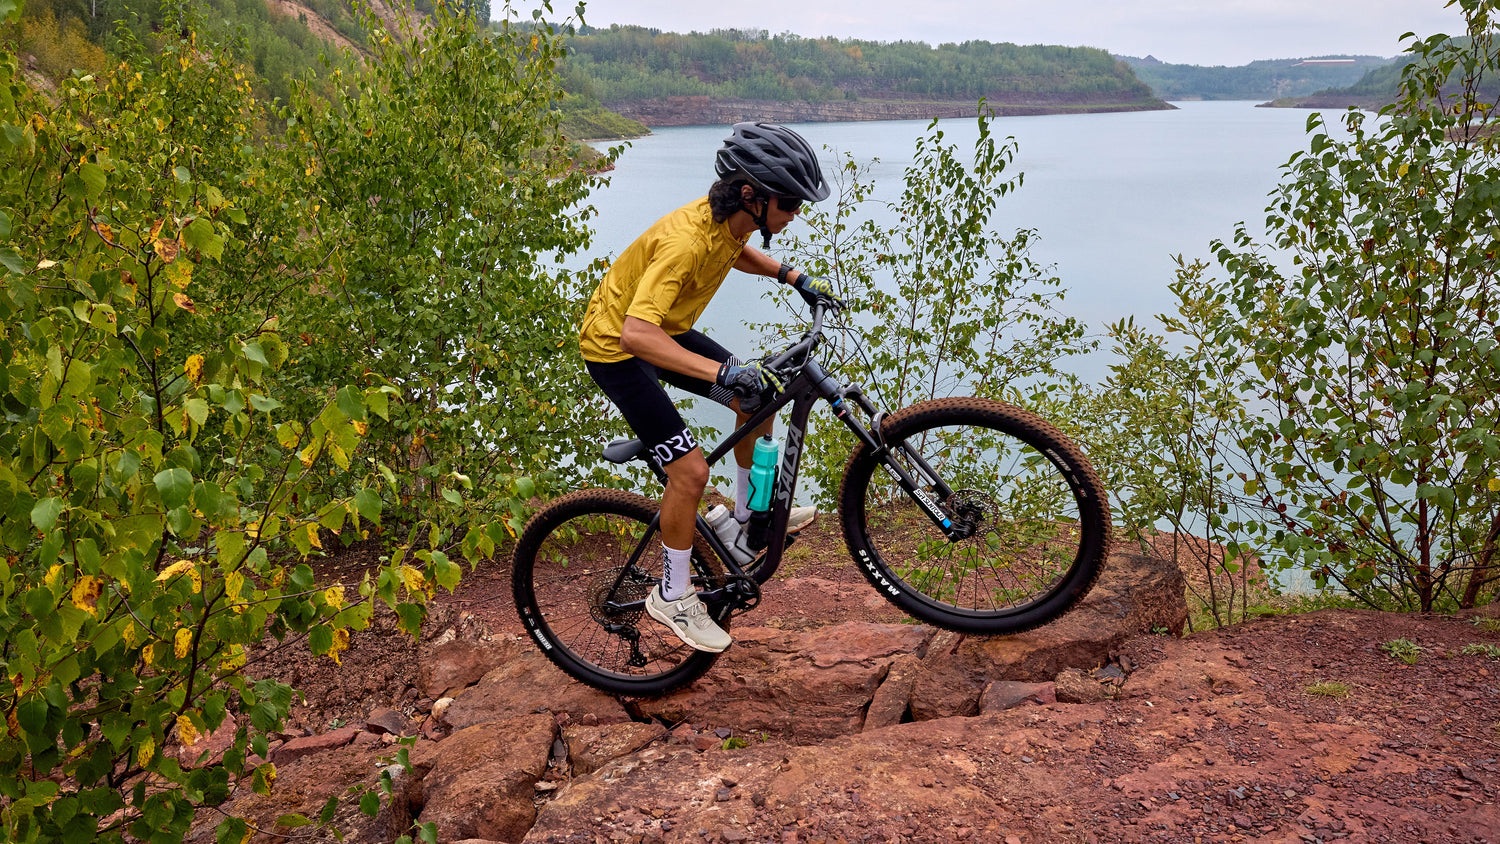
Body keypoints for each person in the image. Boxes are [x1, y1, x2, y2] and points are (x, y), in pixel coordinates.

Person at [578, 122, 838, 653]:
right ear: (753, 195)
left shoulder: (730, 220)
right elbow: (635, 332)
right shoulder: (684, 243)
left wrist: (790, 276)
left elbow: (732, 251)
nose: (795, 214)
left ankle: (742, 526)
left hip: (663, 331)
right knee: (691, 471)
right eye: (789, 203)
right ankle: (672, 595)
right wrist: (721, 373)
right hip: (619, 349)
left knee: (757, 394)